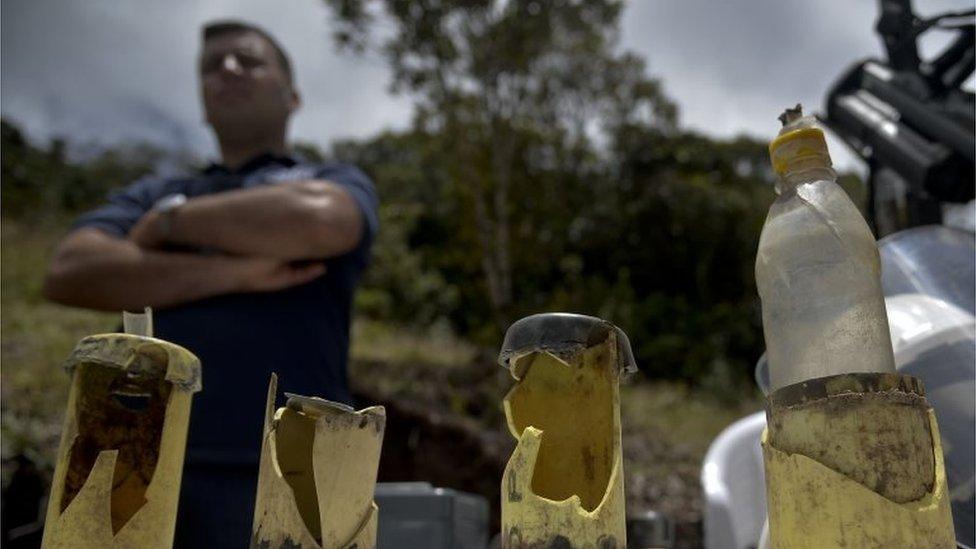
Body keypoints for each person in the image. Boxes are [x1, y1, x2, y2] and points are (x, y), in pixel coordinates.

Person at [42, 20, 378, 546]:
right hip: (128, 460)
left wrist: (167, 228)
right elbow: (73, 271)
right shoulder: (157, 189)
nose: (227, 69)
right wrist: (239, 271)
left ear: (292, 96)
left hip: (293, 474)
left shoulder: (330, 180)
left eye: (248, 60)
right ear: (202, 103)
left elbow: (323, 221)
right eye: (211, 66)